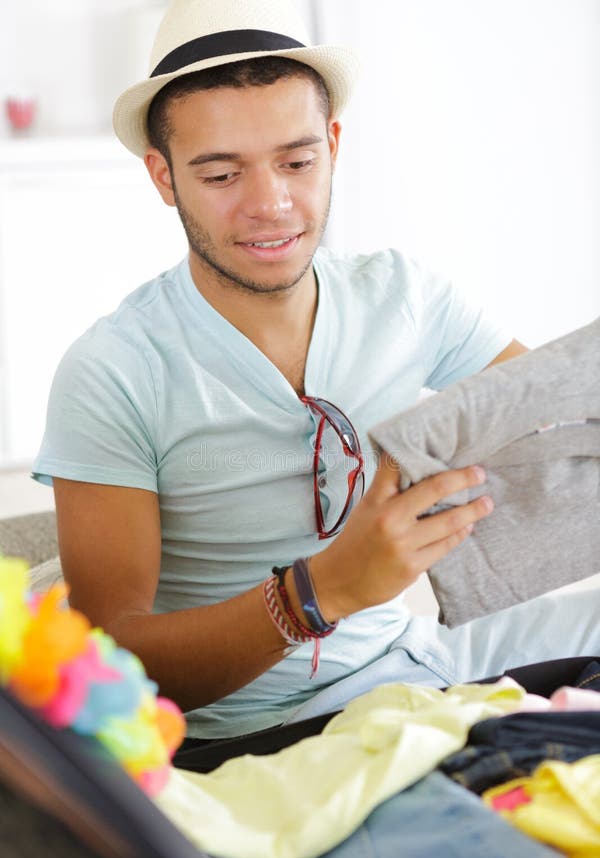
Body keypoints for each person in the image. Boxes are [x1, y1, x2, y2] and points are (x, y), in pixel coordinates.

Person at [33, 0, 599, 740]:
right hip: (255, 727)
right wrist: (318, 594)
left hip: (416, 662)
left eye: (297, 162)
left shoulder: (406, 296)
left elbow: (559, 413)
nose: (270, 204)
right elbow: (113, 663)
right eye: (221, 173)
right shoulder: (112, 371)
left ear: (333, 144)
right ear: (164, 177)